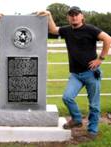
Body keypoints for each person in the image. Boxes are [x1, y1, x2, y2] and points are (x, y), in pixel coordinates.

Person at [37, 6, 111, 137]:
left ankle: (92, 131)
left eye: (77, 14)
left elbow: (107, 39)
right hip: (75, 74)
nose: (74, 17)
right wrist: (48, 15)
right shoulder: (67, 30)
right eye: (71, 14)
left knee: (94, 104)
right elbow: (53, 30)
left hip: (91, 73)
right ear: (68, 17)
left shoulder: (90, 29)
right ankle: (77, 119)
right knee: (67, 97)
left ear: (82, 16)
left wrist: (100, 59)